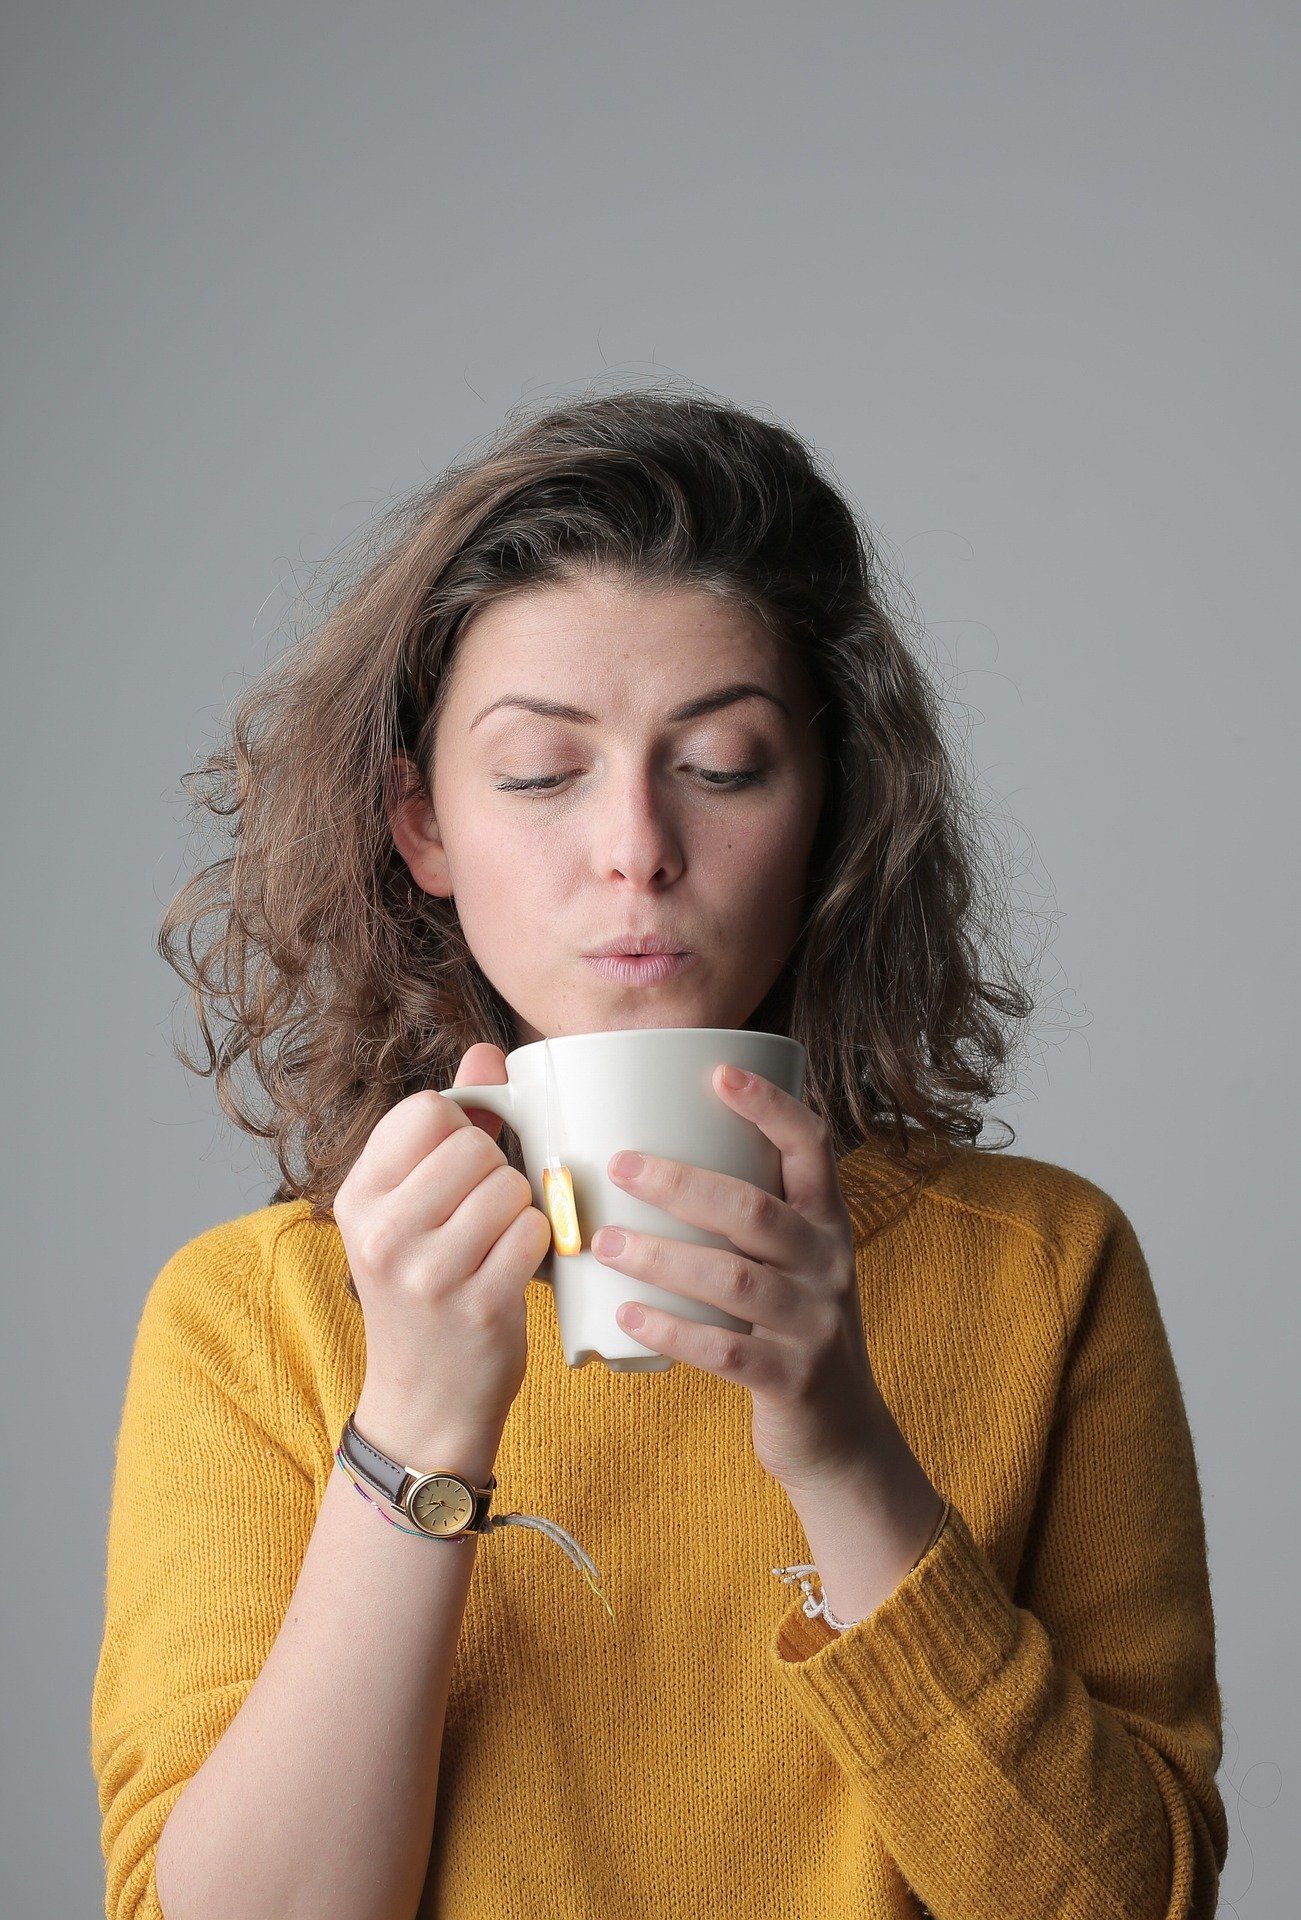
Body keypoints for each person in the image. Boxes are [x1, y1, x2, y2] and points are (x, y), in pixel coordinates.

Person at [91, 386, 1228, 1920]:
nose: (633, 845)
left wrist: (840, 1449)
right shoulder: (251, 1318)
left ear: (827, 809)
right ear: (421, 827)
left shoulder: (1042, 1270)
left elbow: (1129, 1900)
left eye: (725, 763)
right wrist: (418, 1418)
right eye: (541, 773)